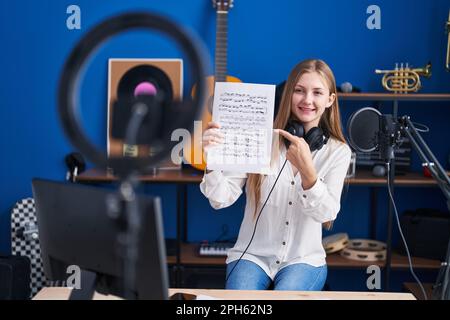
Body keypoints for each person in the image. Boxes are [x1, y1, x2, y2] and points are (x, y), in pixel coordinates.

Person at [199, 59, 351, 291]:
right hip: (251, 256)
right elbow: (220, 199)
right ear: (289, 94)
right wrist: (211, 162)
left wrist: (308, 171)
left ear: (330, 100)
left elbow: (327, 212)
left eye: (317, 92)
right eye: (299, 91)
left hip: (304, 260)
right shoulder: (260, 138)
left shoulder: (338, 151)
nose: (307, 100)